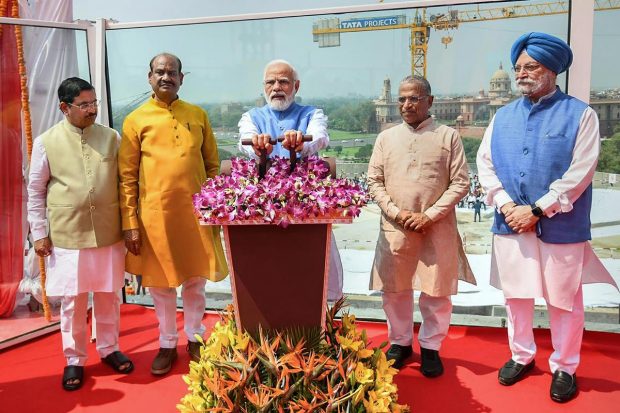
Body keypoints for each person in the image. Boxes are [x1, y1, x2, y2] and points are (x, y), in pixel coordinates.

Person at [476, 32, 618, 403]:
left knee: (564, 300)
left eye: (531, 67)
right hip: (511, 223)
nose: (522, 74)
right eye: (518, 68)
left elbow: (581, 171)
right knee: (517, 297)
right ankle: (521, 355)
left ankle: (565, 367)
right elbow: (485, 165)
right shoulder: (502, 116)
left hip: (561, 225)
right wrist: (508, 206)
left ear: (552, 69)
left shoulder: (581, 115)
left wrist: (538, 209)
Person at [119, 53, 228, 376]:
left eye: (172, 72)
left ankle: (194, 338)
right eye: (160, 72)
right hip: (156, 217)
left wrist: (214, 205)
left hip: (196, 213)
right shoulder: (136, 120)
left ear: (182, 78)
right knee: (161, 286)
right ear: (149, 77)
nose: (166, 77)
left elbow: (211, 165)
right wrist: (130, 223)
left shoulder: (197, 115)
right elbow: (126, 177)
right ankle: (167, 343)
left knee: (195, 281)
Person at [27, 77, 133, 391]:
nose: (92, 110)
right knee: (73, 301)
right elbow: (35, 190)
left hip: (108, 231)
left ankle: (109, 348)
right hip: (67, 233)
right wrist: (39, 233)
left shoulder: (112, 137)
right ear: (65, 107)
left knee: (109, 295)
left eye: (94, 103)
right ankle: (74, 359)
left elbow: (124, 185)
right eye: (84, 105)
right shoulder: (46, 141)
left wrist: (129, 226)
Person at [367, 75, 476, 376]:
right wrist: (396, 212)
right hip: (396, 227)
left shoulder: (447, 136)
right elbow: (374, 181)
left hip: (436, 227)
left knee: (436, 290)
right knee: (395, 288)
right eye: (401, 99)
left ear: (430, 101)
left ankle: (431, 347)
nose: (406, 104)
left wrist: (430, 215)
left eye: (413, 98)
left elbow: (460, 182)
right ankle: (400, 343)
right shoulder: (386, 138)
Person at [238, 59, 343, 301]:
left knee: (317, 268)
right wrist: (257, 146)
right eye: (270, 82)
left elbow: (319, 137)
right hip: (265, 206)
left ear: (296, 86)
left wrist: (301, 142)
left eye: (283, 81)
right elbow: (246, 139)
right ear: (263, 87)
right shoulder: (251, 117)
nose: (276, 87)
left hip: (306, 203)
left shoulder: (312, 114)